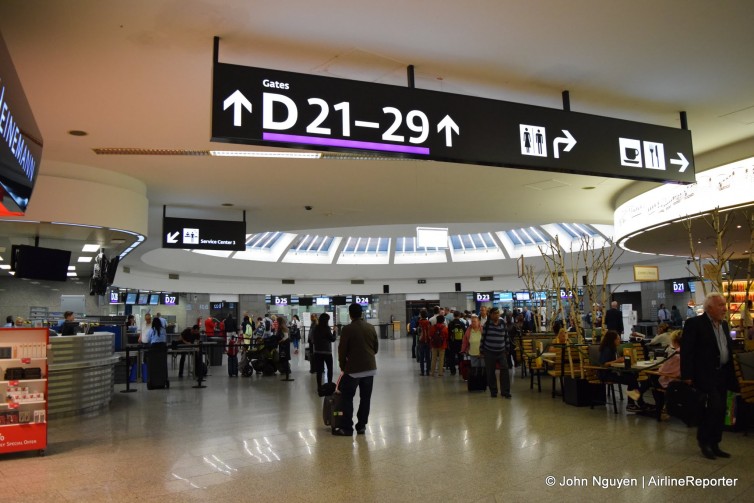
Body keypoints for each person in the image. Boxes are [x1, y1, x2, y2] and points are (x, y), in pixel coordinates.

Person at [681, 292, 736, 460]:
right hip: (705, 375)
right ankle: (704, 442)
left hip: (723, 374)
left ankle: (715, 443)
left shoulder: (724, 325)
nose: (724, 309)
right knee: (713, 408)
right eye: (721, 305)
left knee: (720, 411)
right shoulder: (695, 324)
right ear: (709, 308)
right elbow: (687, 351)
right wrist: (687, 375)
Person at [333, 303, 378, 436]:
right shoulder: (370, 327)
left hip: (353, 370)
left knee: (347, 397)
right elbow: (375, 348)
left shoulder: (347, 329)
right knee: (365, 398)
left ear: (350, 314)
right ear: (362, 313)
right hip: (370, 368)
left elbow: (342, 350)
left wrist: (342, 366)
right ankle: (361, 426)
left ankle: (347, 428)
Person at [598, 330, 650, 413]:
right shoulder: (607, 350)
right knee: (631, 379)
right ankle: (635, 403)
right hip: (606, 374)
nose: (620, 340)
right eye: (618, 339)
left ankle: (633, 403)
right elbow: (604, 364)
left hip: (614, 372)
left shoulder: (613, 349)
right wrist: (617, 361)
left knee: (633, 377)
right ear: (613, 340)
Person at [480, 307, 511, 398]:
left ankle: (505, 391)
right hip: (489, 351)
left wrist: (507, 348)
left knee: (505, 371)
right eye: (495, 313)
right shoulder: (487, 324)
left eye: (498, 313)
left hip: (501, 351)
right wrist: (481, 350)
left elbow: (506, 336)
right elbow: (483, 338)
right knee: (490, 372)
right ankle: (493, 391)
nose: (497, 315)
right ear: (491, 315)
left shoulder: (502, 323)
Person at [312, 312, 336, 389]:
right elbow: (333, 339)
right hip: (327, 352)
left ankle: (319, 386)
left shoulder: (316, 328)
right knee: (330, 368)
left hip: (317, 352)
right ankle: (329, 385)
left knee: (319, 370)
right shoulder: (327, 328)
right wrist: (335, 331)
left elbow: (313, 339)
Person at [447, 311, 466, 376]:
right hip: (460, 343)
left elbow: (449, 334)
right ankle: (461, 370)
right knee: (460, 357)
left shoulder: (450, 324)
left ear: (453, 316)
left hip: (452, 343)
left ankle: (453, 371)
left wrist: (449, 342)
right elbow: (465, 334)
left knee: (452, 357)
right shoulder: (462, 324)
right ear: (459, 315)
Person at [417, 309, 432, 376]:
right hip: (428, 341)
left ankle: (422, 372)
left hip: (421, 341)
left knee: (422, 357)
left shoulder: (419, 322)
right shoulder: (428, 322)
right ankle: (428, 371)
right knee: (428, 357)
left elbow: (418, 332)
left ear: (421, 315)